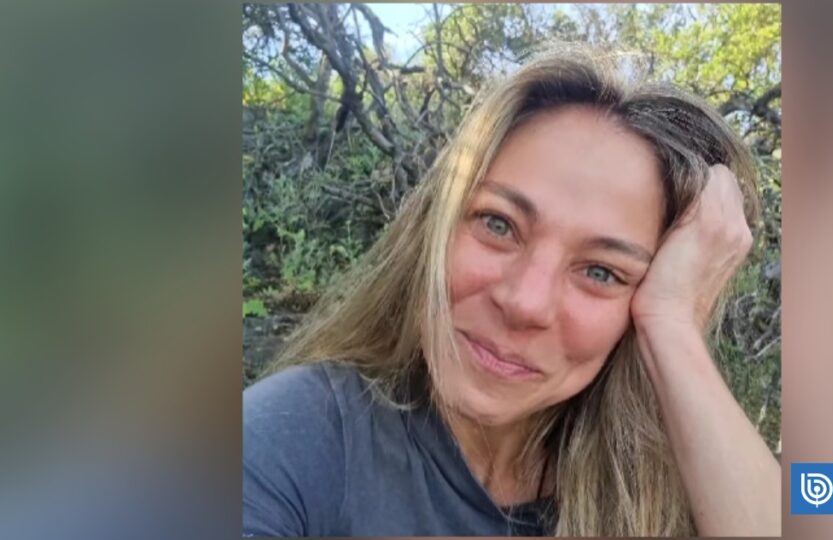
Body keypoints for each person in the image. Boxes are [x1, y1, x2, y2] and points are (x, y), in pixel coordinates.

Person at [243, 44, 781, 537]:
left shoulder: (684, 475)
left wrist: (672, 326)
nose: (525, 302)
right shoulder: (292, 436)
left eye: (601, 272)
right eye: (498, 225)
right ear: (434, 227)